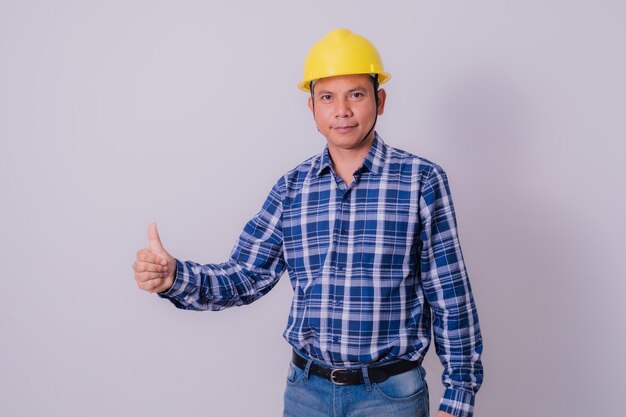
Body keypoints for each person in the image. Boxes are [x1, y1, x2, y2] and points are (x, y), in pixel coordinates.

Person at [133, 28, 483, 417]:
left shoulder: (420, 180)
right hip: (306, 394)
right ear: (312, 108)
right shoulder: (291, 188)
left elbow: (450, 295)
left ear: (379, 100)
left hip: (390, 397)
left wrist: (458, 395)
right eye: (327, 97)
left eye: (356, 94)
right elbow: (245, 275)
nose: (342, 110)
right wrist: (174, 277)